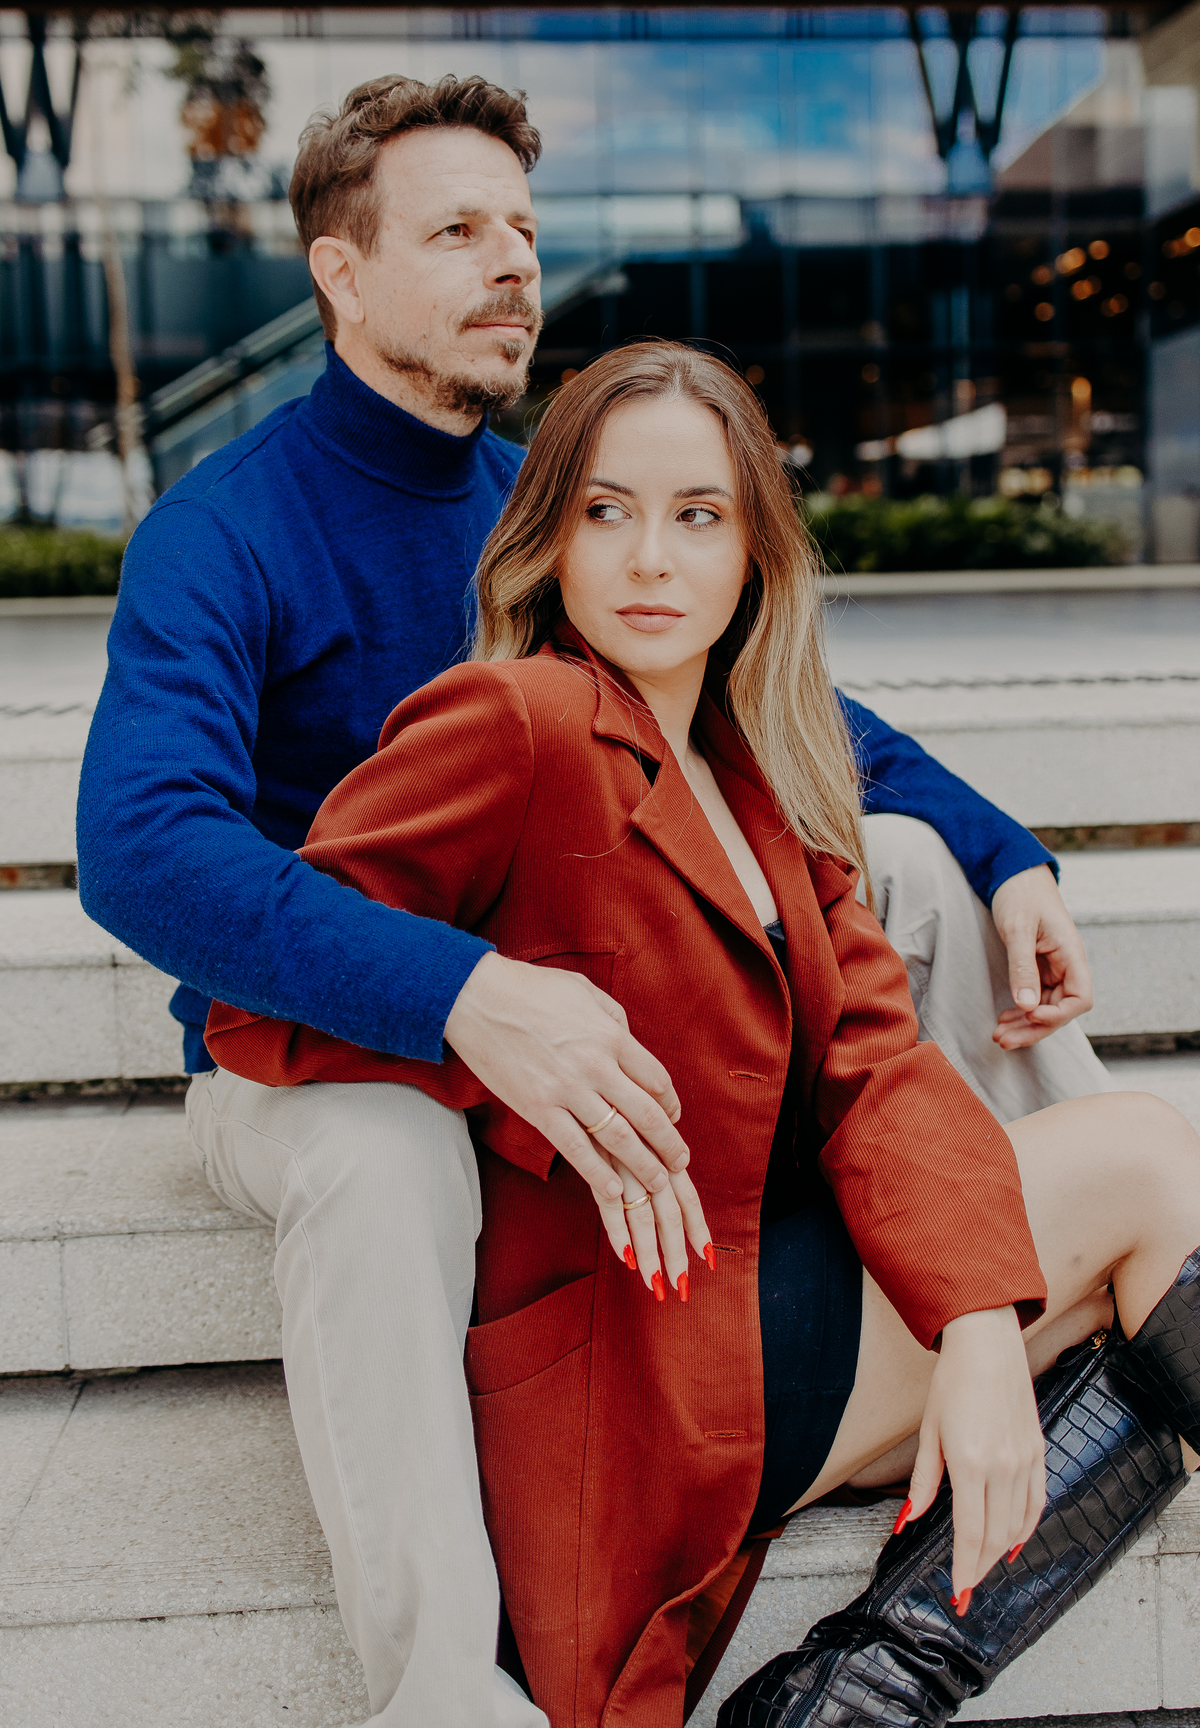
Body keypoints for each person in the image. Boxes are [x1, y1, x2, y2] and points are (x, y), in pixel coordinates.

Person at [75, 73, 1106, 1728]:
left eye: (524, 229)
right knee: (383, 1149)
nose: (513, 264)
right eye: (458, 231)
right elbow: (139, 845)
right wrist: (458, 995)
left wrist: (1008, 854)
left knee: (909, 871)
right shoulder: (225, 530)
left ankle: (1006, 1304)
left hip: (596, 1012)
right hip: (326, 1048)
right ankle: (451, 1695)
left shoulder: (551, 501)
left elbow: (784, 716)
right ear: (341, 274)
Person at [204, 342, 1200, 1728]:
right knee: (1151, 1165)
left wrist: (978, 1329)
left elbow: (882, 1073)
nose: (650, 559)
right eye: (606, 511)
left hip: (752, 1320)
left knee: (1137, 1300)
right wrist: (486, 1023)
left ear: (753, 558)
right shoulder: (514, 719)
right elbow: (262, 992)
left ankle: (851, 1698)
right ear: (549, 539)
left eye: (698, 516)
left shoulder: (762, 774)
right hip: (634, 1360)